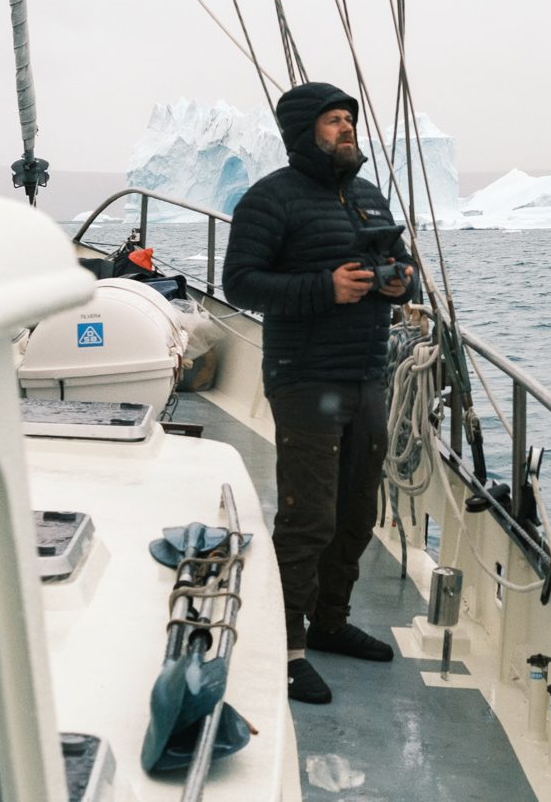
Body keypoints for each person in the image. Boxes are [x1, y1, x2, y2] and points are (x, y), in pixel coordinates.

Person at [222, 82, 418, 705]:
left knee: (359, 511)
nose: (346, 130)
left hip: (365, 375)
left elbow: (402, 266)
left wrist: (399, 285)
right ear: (305, 132)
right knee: (309, 518)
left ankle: (330, 621)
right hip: (305, 377)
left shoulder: (366, 195)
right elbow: (240, 283)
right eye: (334, 121)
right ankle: (285, 647)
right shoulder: (270, 200)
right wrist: (323, 288)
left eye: (349, 120)